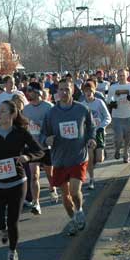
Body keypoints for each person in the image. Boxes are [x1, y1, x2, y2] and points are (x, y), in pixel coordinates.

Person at [0, 100, 44, 260]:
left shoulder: (21, 133)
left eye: (2, 111)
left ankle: (12, 252)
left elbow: (39, 151)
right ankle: (2, 230)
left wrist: (27, 157)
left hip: (18, 182)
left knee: (13, 221)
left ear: (12, 115)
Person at [40, 78, 97, 236]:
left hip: (78, 157)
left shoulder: (82, 109)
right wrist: (46, 139)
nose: (64, 92)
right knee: (65, 195)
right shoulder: (51, 113)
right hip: (59, 159)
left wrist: (91, 139)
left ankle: (79, 210)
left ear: (73, 90)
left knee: (74, 191)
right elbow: (43, 134)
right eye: (61, 89)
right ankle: (73, 220)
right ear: (57, 92)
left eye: (67, 89)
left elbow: (91, 127)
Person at [22, 87, 58, 208]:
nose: (28, 94)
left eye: (31, 91)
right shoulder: (25, 109)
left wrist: (40, 124)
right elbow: (23, 126)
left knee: (50, 174)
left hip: (46, 146)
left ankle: (52, 189)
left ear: (37, 93)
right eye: (28, 92)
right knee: (34, 176)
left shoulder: (48, 107)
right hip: (32, 147)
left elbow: (54, 123)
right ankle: (36, 202)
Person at [80, 81, 112, 190]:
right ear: (83, 92)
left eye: (90, 91)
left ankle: (101, 153)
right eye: (86, 91)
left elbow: (108, 117)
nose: (88, 93)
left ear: (94, 92)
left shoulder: (99, 102)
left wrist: (102, 126)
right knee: (90, 158)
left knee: (99, 159)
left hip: (99, 132)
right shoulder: (82, 105)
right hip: (88, 134)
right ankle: (91, 180)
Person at [107, 68, 130, 163]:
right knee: (118, 137)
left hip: (129, 115)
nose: (121, 77)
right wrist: (112, 103)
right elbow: (108, 99)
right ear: (117, 76)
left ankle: (126, 154)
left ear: (127, 76)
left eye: (123, 75)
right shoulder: (113, 87)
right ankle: (117, 149)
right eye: (120, 76)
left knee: (128, 138)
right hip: (117, 116)